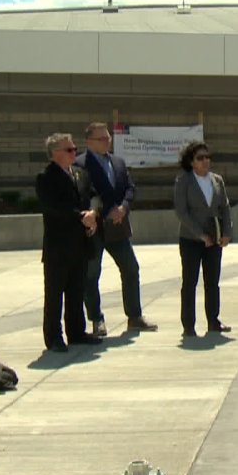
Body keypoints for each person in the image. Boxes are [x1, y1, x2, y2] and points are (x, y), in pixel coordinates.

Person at [75, 123, 157, 336]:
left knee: (131, 269)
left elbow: (130, 188)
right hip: (95, 228)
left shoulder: (118, 162)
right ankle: (96, 319)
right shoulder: (81, 164)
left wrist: (124, 208)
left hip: (119, 227)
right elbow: (86, 193)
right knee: (92, 275)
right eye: (101, 139)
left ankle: (134, 316)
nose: (106, 142)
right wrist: (106, 211)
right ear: (89, 142)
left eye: (108, 138)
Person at [35, 133, 102, 352]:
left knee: (76, 290)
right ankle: (54, 337)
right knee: (55, 294)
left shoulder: (81, 174)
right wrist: (81, 217)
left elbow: (93, 195)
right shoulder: (46, 177)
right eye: (70, 150)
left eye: (74, 149)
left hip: (81, 244)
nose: (75, 152)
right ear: (55, 154)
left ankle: (76, 332)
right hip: (59, 247)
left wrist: (93, 212)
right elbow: (53, 207)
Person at [174, 141, 233, 337]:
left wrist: (226, 232)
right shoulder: (184, 181)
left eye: (207, 157)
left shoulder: (217, 180)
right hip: (191, 239)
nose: (205, 161)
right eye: (200, 158)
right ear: (191, 162)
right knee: (190, 282)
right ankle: (188, 325)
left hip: (214, 239)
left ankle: (213, 321)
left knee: (212, 282)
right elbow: (182, 212)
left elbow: (224, 207)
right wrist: (200, 235)